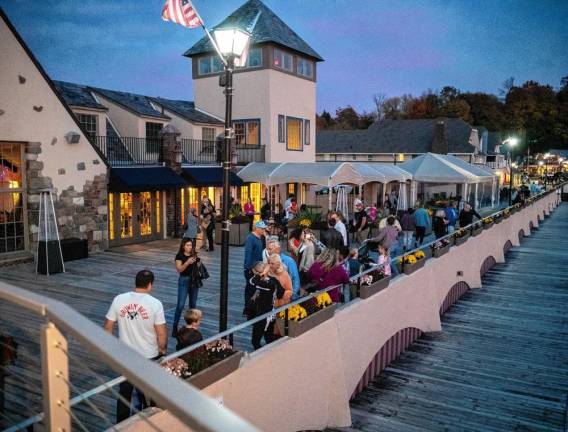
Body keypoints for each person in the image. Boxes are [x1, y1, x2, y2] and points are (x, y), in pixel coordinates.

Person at [104, 270, 167, 423]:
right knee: (149, 392)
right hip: (149, 356)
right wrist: (163, 350)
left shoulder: (119, 299)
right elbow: (161, 333)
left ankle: (121, 423)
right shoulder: (155, 304)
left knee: (124, 392)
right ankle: (153, 422)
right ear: (150, 285)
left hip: (125, 355)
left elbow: (108, 326)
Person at [248, 261, 284, 349]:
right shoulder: (274, 281)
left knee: (255, 341)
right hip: (271, 313)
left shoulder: (265, 284)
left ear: (259, 273)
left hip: (263, 315)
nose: (254, 275)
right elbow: (281, 293)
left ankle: (261, 357)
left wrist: (262, 273)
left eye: (255, 273)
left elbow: (253, 281)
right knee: (269, 338)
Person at [173, 238, 203, 336]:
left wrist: (198, 261)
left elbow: (198, 267)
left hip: (194, 281)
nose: (189, 247)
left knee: (193, 305)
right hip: (183, 281)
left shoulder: (194, 254)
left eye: (190, 245)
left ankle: (192, 328)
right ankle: (175, 326)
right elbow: (179, 270)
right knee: (180, 305)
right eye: (187, 245)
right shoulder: (179, 256)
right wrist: (187, 263)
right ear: (183, 246)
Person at [243, 220, 267, 318]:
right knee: (250, 289)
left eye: (264, 228)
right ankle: (248, 310)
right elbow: (248, 254)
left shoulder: (261, 237)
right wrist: (249, 268)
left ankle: (252, 308)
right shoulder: (250, 238)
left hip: (258, 267)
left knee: (255, 289)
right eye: (262, 229)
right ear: (256, 228)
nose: (264, 230)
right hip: (251, 269)